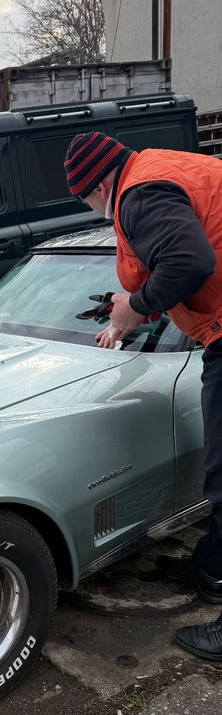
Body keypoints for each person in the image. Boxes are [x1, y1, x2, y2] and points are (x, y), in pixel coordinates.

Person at [63, 131, 222, 660]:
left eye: (86, 199)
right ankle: (214, 567)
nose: (92, 210)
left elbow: (190, 261)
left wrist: (138, 306)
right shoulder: (159, 171)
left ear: (100, 182)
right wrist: (131, 302)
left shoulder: (139, 192)